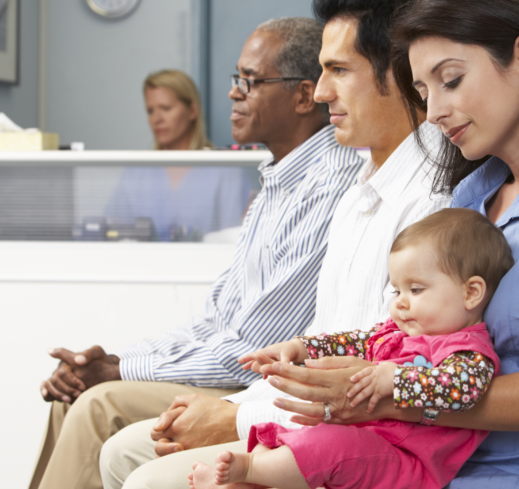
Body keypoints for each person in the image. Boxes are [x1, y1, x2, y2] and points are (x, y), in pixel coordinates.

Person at [260, 0, 519, 487]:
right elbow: (415, 336)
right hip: (422, 463)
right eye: (424, 92)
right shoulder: (474, 195)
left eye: (450, 80)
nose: (434, 113)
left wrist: (391, 396)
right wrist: (323, 357)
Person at [97, 1, 450, 487]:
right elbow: (312, 350)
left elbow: (372, 381)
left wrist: (233, 417)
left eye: (339, 71)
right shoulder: (357, 194)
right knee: (121, 453)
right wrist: (231, 408)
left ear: (400, 74)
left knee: (145, 477)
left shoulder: (433, 200)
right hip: (304, 411)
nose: (323, 90)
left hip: (359, 438)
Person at [29, 17, 364, 489]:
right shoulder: (276, 182)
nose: (233, 93)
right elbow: (213, 321)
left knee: (97, 403)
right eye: (236, 80)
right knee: (75, 391)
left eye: (249, 81)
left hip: (247, 382)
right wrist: (112, 361)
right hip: (228, 369)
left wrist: (118, 369)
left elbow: (249, 349)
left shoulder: (328, 185)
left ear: (304, 96)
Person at [189, 208, 512, 489]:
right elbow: (354, 341)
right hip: (370, 439)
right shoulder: (398, 331)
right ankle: (246, 479)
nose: (399, 301)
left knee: (329, 444)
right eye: (396, 289)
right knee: (296, 429)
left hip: (406, 461)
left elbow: (464, 389)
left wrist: (394, 379)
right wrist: (300, 347)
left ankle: (248, 470)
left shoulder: (467, 350)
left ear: (471, 293)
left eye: (415, 289)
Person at [105, 70, 251, 242]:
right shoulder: (136, 172)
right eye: (150, 111)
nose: (157, 119)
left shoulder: (226, 171)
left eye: (166, 108)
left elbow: (234, 242)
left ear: (192, 111)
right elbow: (115, 233)